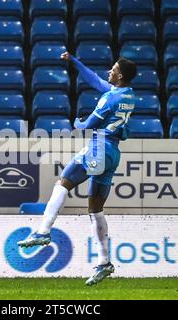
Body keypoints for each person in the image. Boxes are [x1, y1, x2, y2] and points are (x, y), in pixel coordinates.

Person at [18, 52, 137, 286]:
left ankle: (43, 231)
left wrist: (77, 122)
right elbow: (95, 80)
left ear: (120, 75)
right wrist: (74, 61)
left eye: (113, 69)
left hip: (99, 147)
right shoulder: (128, 95)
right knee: (95, 209)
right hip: (113, 153)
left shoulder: (109, 99)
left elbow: (90, 123)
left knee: (63, 181)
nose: (109, 72)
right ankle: (104, 262)